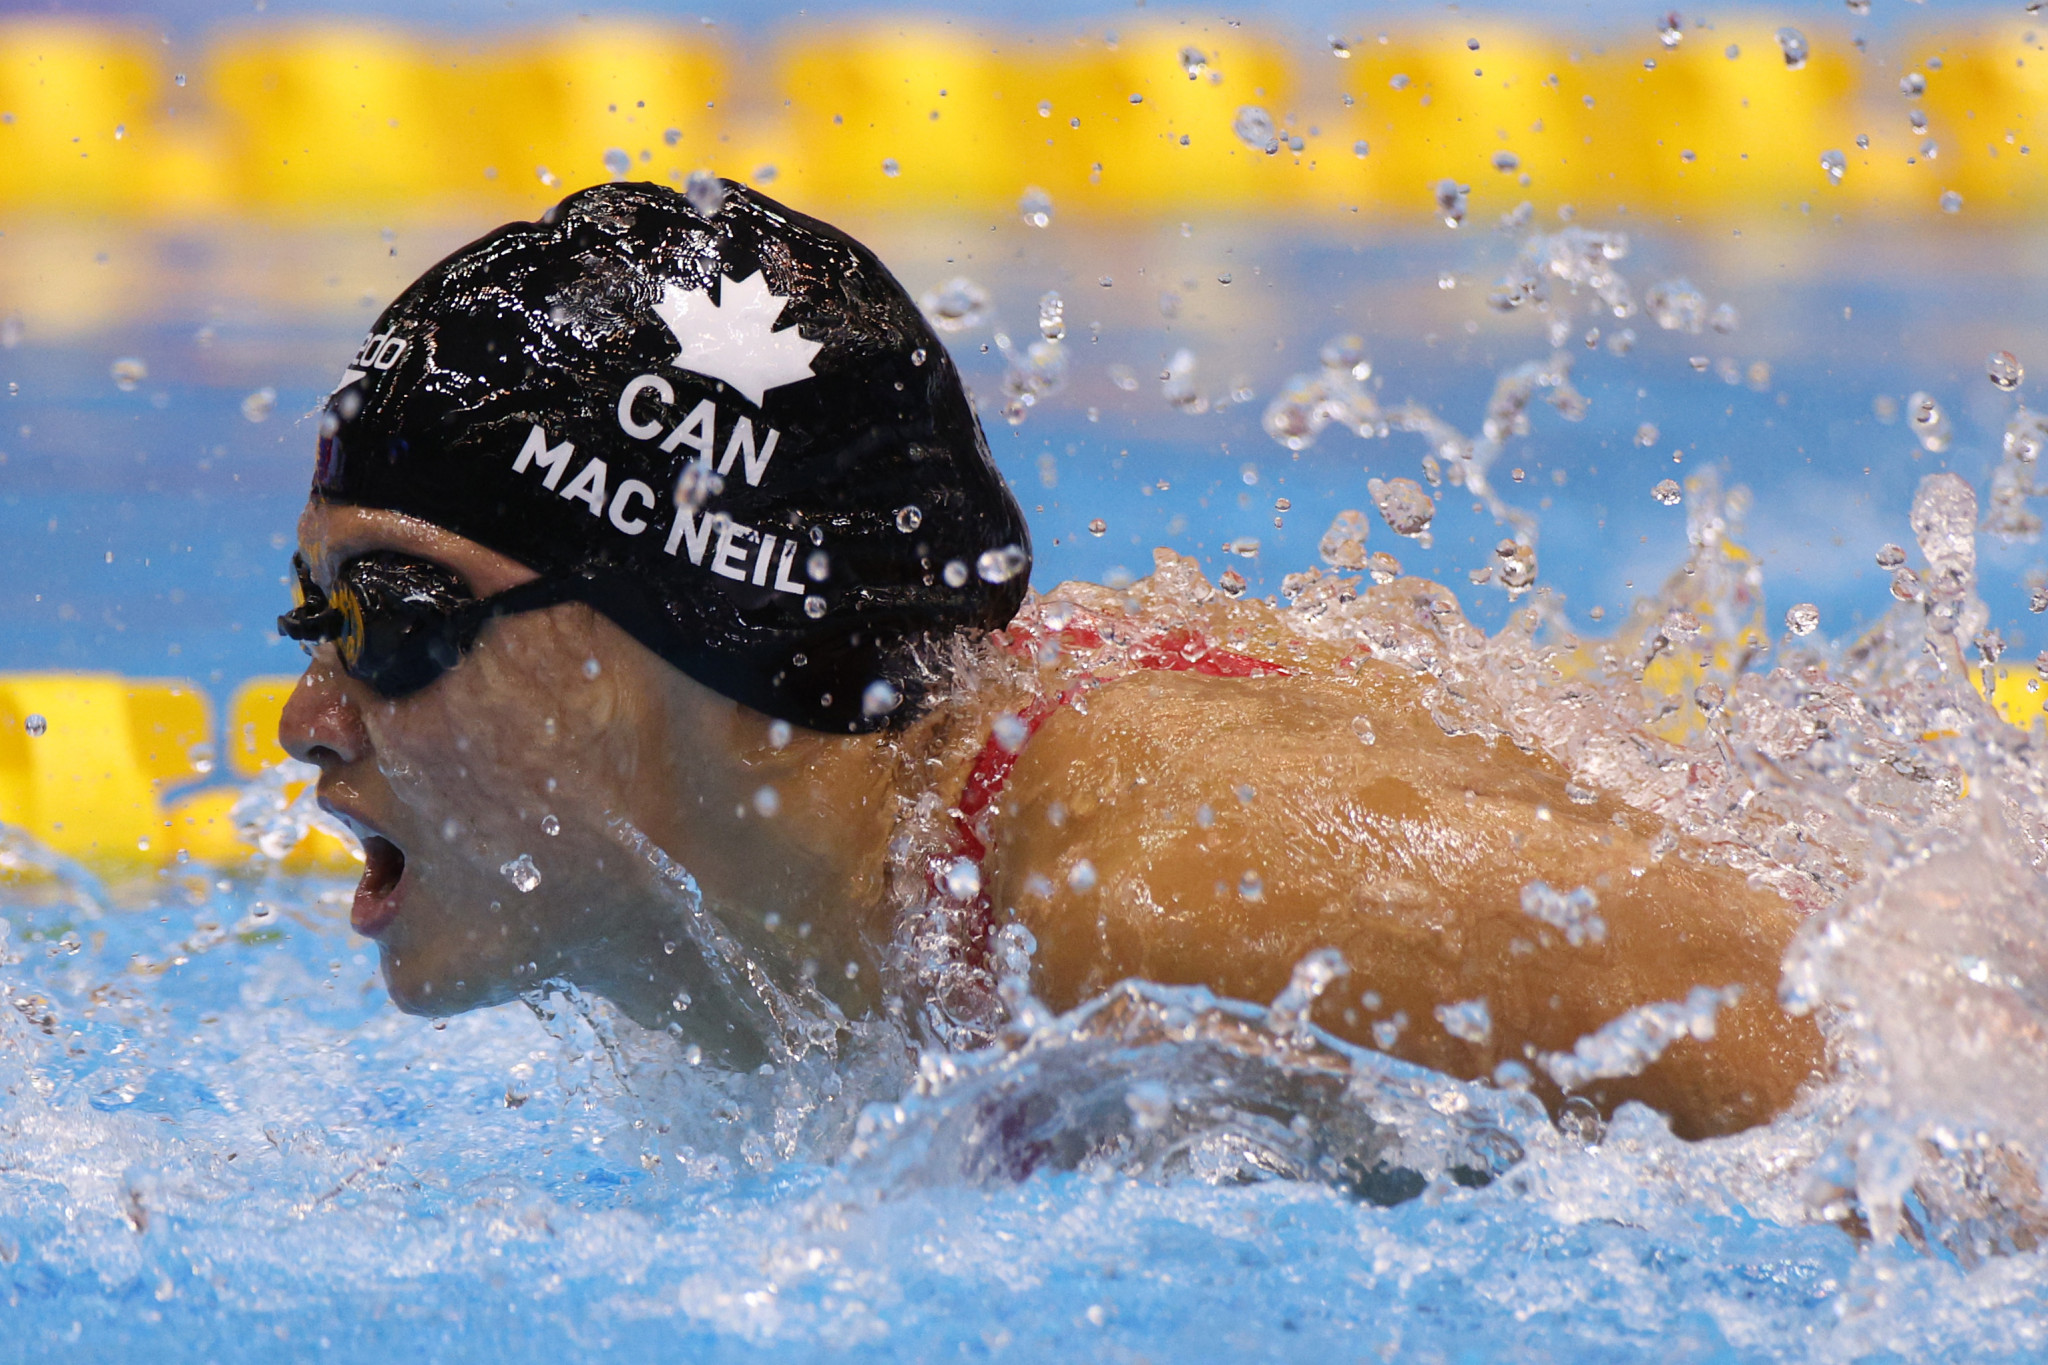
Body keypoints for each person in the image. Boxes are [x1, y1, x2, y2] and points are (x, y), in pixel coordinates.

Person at [280, 180, 1824, 1143]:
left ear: (683, 620)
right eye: (313, 619)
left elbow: (1868, 1078)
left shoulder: (1167, 901)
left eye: (395, 618)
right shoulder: (814, 913)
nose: (307, 717)